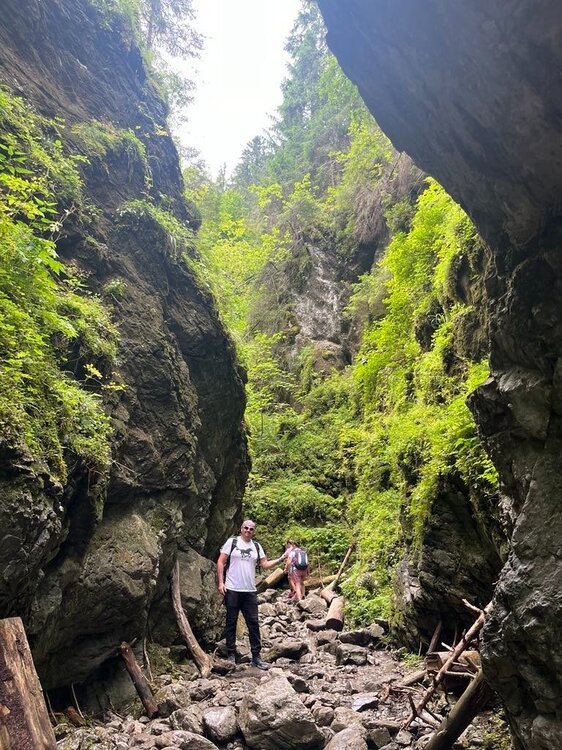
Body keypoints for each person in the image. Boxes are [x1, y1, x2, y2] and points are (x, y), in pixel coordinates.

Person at [216, 519, 286, 670]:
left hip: (249, 590)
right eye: (246, 528)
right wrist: (221, 583)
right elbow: (221, 561)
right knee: (231, 621)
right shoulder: (232, 542)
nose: (248, 530)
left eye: (251, 529)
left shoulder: (256, 546)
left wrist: (281, 559)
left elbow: (264, 564)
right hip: (232, 588)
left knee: (253, 623)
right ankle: (231, 655)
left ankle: (256, 657)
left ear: (254, 531)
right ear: (241, 529)